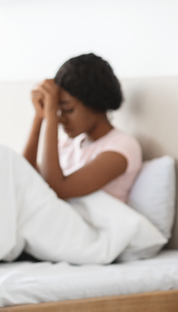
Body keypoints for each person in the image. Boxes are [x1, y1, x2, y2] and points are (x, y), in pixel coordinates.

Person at [23, 53, 142, 203]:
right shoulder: (67, 144)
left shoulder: (122, 146)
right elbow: (24, 174)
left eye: (68, 109)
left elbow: (57, 189)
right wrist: (39, 117)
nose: (60, 119)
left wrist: (51, 115)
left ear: (95, 104)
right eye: (57, 109)